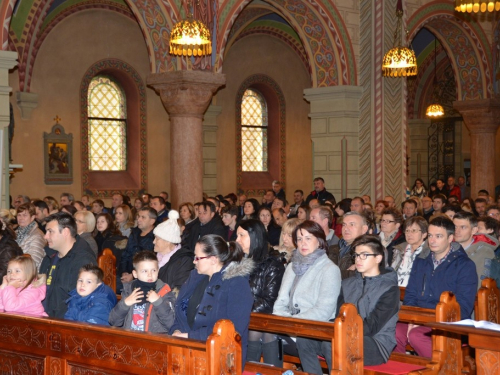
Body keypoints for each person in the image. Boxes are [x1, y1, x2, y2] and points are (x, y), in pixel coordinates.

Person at [394, 216, 477, 358]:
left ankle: (445, 369)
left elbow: (463, 306)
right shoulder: (421, 261)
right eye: (430, 235)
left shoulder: (464, 265)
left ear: (450, 238)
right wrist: (412, 320)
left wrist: (429, 322)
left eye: (438, 236)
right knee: (392, 331)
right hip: (419, 318)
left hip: (449, 322)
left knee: (417, 336)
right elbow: (411, 294)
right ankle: (404, 370)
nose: (432, 241)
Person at [170, 235, 254, 366]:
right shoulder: (196, 278)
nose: (194, 261)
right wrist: (176, 331)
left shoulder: (237, 284)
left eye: (198, 257)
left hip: (222, 357)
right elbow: (180, 312)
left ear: (214, 260)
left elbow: (232, 329)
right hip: (188, 350)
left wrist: (190, 336)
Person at [273, 221, 341, 368]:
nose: (303, 243)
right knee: (260, 334)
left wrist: (292, 322)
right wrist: (284, 322)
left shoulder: (329, 269)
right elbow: (280, 302)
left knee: (269, 339)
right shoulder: (292, 266)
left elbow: (323, 311)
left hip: (313, 330)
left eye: (308, 238)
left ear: (320, 241)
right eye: (299, 239)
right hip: (290, 327)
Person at [237, 219, 285, 366]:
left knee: (259, 330)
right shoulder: (236, 262)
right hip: (241, 317)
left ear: (255, 237)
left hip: (257, 319)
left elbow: (268, 301)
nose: (236, 240)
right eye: (237, 235)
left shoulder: (272, 264)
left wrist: (241, 312)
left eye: (241, 235)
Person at [40, 212, 97, 318]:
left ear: (65, 232)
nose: (45, 236)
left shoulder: (83, 260)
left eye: (50, 232)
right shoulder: (50, 255)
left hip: (64, 322)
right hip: (43, 317)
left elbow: (81, 302)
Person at [110, 251, 176, 333]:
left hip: (153, 342)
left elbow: (171, 324)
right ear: (135, 274)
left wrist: (158, 303)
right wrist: (125, 304)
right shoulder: (129, 290)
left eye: (153, 270)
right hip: (131, 340)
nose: (150, 275)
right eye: (144, 271)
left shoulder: (164, 291)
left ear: (158, 271)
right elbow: (113, 321)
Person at [453, 211, 496, 289]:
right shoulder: (446, 248)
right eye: (455, 227)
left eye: (463, 227)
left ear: (474, 230)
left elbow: (481, 285)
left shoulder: (484, 252)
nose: (457, 231)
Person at [154, 210, 194, 290]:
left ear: (168, 241)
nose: (153, 241)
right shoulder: (154, 257)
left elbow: (180, 289)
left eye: (157, 239)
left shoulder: (184, 260)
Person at [120, 207, 157, 284]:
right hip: (128, 273)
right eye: (138, 216)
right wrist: (124, 271)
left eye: (143, 217)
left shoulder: (156, 237)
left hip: (145, 277)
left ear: (152, 221)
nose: (139, 219)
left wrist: (133, 276)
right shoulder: (134, 233)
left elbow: (152, 261)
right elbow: (126, 253)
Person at [328, 211, 368, 279]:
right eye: (344, 225)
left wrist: (330, 275)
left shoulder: (370, 251)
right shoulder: (332, 248)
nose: (346, 228)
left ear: (364, 229)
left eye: (352, 224)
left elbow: (358, 277)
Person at [391, 216, 428, 287]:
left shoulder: (428, 253)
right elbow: (392, 273)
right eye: (407, 231)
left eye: (414, 230)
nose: (409, 234)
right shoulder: (399, 249)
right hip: (396, 292)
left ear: (424, 234)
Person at [15, 203, 46, 269]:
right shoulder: (16, 232)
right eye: (19, 215)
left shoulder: (37, 235)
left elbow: (35, 260)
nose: (21, 218)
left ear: (32, 217)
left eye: (24, 215)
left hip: (29, 273)